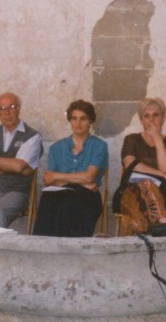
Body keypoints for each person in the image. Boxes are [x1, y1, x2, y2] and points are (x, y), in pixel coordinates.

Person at [32, 100, 109, 237]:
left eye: (83, 119)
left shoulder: (99, 146)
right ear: (70, 120)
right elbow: (50, 180)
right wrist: (82, 180)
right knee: (47, 200)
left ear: (90, 120)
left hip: (87, 196)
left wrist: (58, 176)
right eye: (74, 118)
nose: (78, 124)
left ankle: (70, 252)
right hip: (60, 195)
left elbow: (89, 177)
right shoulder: (56, 148)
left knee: (70, 205)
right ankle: (43, 250)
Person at [0, 92, 43, 227]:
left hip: (15, 192)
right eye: (2, 109)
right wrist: (12, 165)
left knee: (0, 211)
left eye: (11, 107)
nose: (7, 113)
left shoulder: (32, 136)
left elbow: (18, 166)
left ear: (19, 108)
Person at [118, 97, 166, 235]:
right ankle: (164, 223)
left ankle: (138, 251)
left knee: (137, 220)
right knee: (146, 182)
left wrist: (157, 138)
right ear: (141, 120)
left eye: (156, 115)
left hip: (163, 199)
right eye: (146, 116)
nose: (151, 120)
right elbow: (130, 164)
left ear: (163, 118)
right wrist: (162, 175)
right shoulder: (132, 139)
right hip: (131, 196)